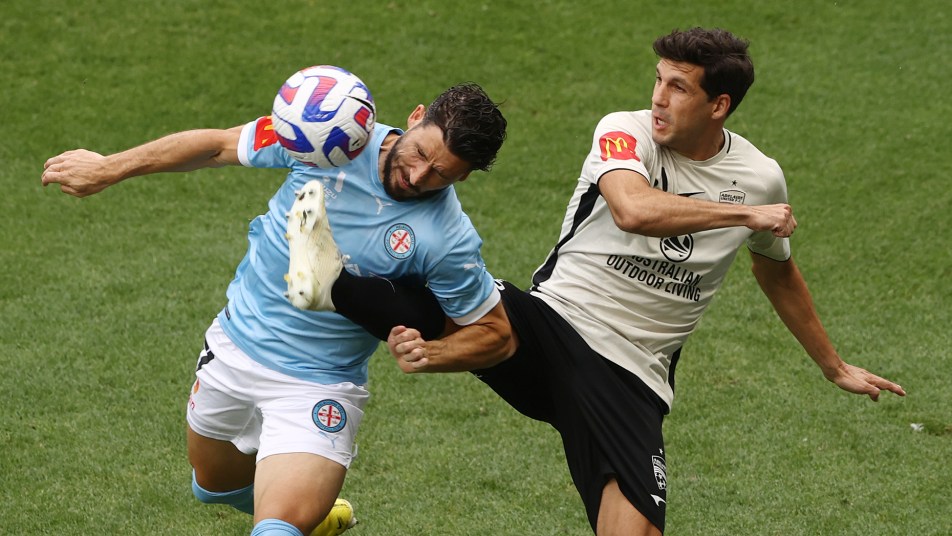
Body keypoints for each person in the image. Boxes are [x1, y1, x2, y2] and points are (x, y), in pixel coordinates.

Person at [317, 28, 907, 535]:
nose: (659, 98)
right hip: (554, 326)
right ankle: (325, 276)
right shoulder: (624, 131)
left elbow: (776, 269)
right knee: (450, 306)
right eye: (658, 80)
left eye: (679, 88)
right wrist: (743, 215)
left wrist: (832, 365)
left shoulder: (759, 177)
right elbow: (631, 208)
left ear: (719, 104)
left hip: (633, 374)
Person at [41, 82, 509, 536]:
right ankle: (321, 521)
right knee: (213, 489)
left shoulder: (448, 238)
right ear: (414, 118)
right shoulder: (330, 137)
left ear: (464, 176)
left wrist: (433, 355)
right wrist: (109, 168)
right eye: (421, 154)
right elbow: (217, 146)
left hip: (319, 385)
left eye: (443, 174)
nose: (419, 177)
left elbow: (496, 333)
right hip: (234, 347)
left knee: (277, 525)